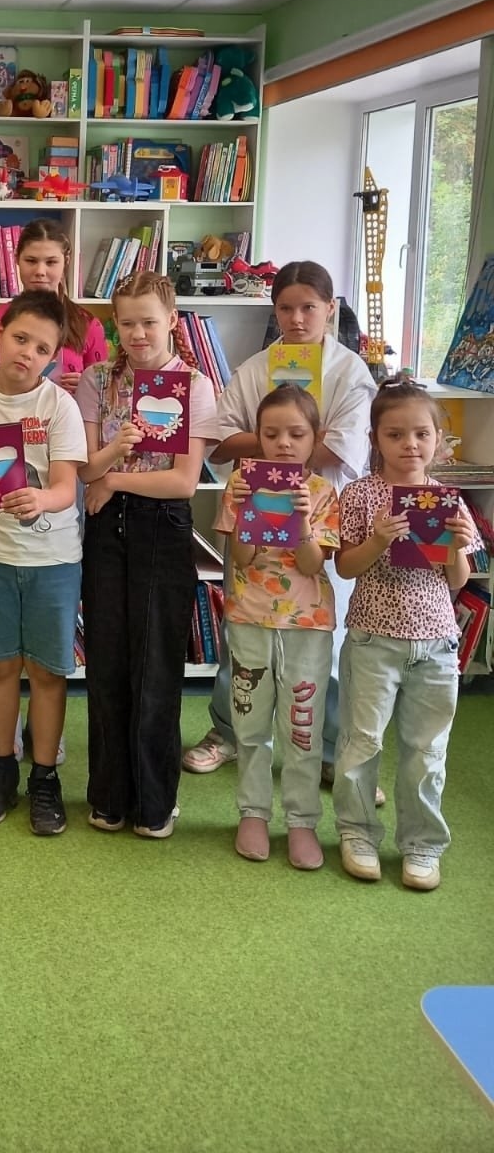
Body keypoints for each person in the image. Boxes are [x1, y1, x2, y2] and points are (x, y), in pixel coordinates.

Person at [183, 261, 376, 784]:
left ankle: (327, 748)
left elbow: (344, 449)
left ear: (330, 309)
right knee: (242, 628)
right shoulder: (256, 368)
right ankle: (227, 731)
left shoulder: (350, 371)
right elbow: (221, 442)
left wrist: (274, 437)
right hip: (254, 513)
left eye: (309, 307)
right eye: (286, 308)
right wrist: (293, 436)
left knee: (321, 639)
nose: (297, 319)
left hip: (319, 516)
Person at [76, 270, 217, 838]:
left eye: (150, 322)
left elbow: (182, 482)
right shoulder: (97, 380)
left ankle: (155, 803)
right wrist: (109, 467)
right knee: (108, 661)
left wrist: (115, 480)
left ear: (173, 322)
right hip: (106, 528)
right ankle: (109, 795)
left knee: (156, 665)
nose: (139, 334)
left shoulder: (194, 385)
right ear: (115, 324)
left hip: (162, 525)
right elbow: (85, 469)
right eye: (128, 323)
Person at [0, 291, 87, 835]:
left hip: (53, 561)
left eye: (41, 348)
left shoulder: (59, 407)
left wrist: (41, 499)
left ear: (53, 358)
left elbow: (66, 486)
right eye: (20, 338)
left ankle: (45, 778)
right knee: (0, 668)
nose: (27, 352)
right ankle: (1, 769)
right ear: (0, 336)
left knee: (48, 673)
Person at [333, 378, 478, 890]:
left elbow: (457, 581)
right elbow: (345, 566)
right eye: (395, 434)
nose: (409, 444)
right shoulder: (360, 494)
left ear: (439, 439)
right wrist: (378, 538)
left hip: (436, 642)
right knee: (361, 742)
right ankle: (357, 833)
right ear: (376, 438)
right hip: (374, 639)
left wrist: (457, 547)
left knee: (427, 750)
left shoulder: (449, 501)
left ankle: (422, 844)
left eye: (421, 434)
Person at [213, 387, 340, 869]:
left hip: (307, 625)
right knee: (249, 723)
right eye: (271, 434)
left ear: (315, 439)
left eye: (296, 434)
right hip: (250, 617)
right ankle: (253, 812)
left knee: (302, 729)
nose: (283, 443)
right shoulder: (240, 483)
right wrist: (249, 509)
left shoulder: (323, 492)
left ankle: (302, 820)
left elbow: (311, 564)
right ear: (258, 437)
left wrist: (302, 519)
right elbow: (242, 558)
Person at [0, 219, 106, 393]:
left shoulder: (88, 325)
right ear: (17, 259)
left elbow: (102, 394)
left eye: (51, 262)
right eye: (31, 261)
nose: (40, 271)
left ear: (66, 261)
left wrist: (87, 387)